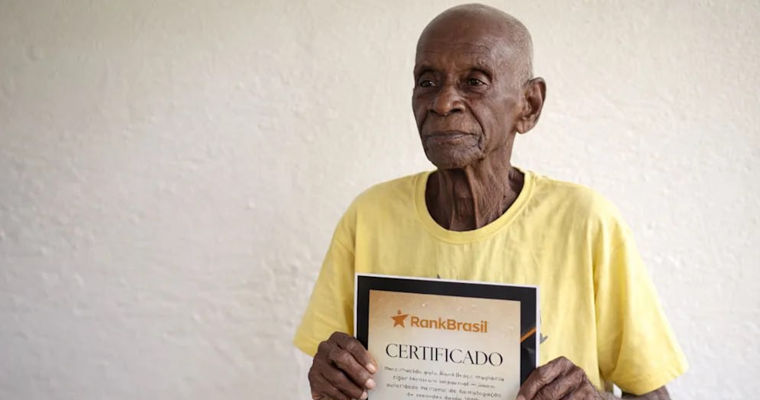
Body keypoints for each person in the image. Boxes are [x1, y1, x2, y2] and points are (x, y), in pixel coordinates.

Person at [293, 4, 687, 400]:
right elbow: (339, 378)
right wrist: (330, 378)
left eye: (474, 82)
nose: (443, 103)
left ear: (529, 105)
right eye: (427, 81)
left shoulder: (585, 223)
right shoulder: (370, 217)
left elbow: (654, 395)